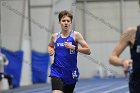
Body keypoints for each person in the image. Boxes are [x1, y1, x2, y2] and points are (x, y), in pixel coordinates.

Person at [48, 10, 91, 93]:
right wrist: (51, 49)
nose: (66, 23)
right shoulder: (55, 36)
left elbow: (88, 51)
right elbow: (50, 45)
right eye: (63, 21)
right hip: (57, 71)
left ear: (71, 22)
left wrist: (74, 47)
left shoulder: (76, 35)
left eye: (68, 21)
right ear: (59, 22)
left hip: (71, 72)